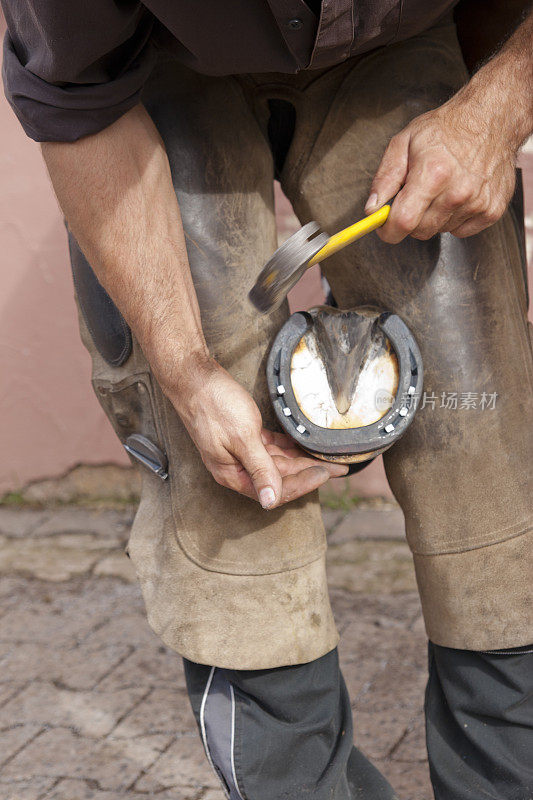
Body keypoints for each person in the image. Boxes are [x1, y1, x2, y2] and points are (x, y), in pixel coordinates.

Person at [2, 1, 532, 797]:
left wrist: (499, 107)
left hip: (398, 37)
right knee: (233, 488)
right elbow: (78, 99)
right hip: (162, 68)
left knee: (487, 475)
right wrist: (183, 369)